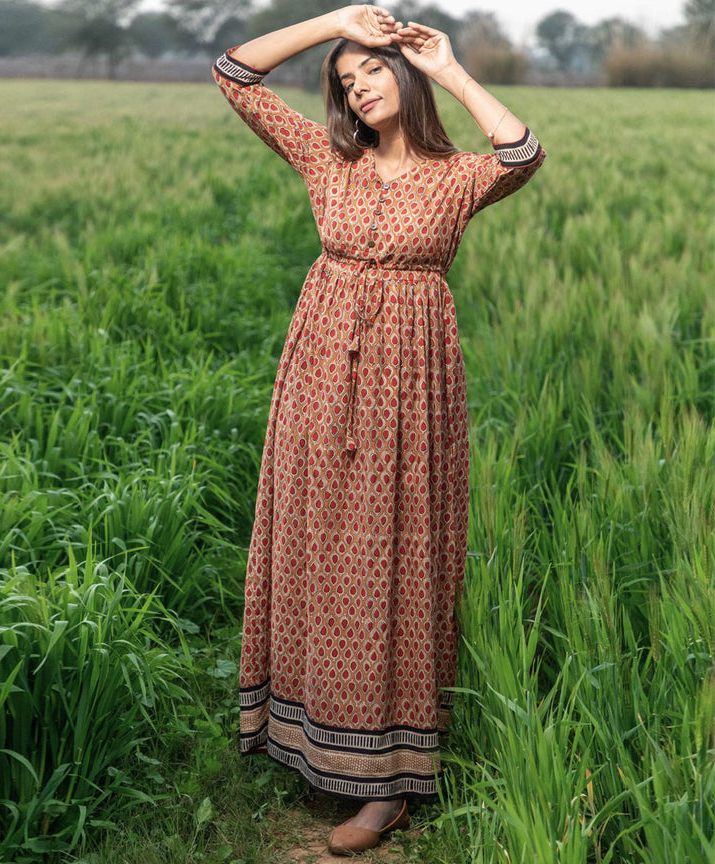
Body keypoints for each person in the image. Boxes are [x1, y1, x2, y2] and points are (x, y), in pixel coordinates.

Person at [212, 5, 544, 856]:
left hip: (411, 391)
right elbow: (235, 75)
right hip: (320, 374)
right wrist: (332, 20)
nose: (358, 91)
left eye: (371, 72)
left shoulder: (458, 176)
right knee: (316, 546)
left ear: (404, 77)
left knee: (390, 559)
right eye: (345, 81)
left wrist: (445, 66)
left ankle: (387, 783)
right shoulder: (329, 159)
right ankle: (308, 738)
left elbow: (523, 151)